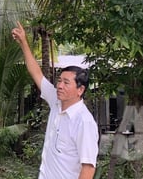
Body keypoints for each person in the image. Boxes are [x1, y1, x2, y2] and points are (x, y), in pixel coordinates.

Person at [12, 21, 99, 179]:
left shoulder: (84, 122)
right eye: (59, 81)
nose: (59, 86)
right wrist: (24, 42)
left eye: (66, 83)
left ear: (80, 90)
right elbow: (37, 73)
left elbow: (88, 169)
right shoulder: (56, 101)